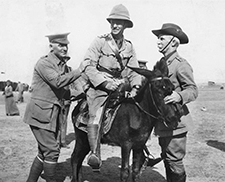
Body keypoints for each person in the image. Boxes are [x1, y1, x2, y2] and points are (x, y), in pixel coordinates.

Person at [82, 4, 142, 171]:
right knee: (96, 111)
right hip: (99, 85)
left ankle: (141, 150)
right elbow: (88, 65)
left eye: (119, 23)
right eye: (113, 22)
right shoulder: (100, 41)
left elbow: (134, 70)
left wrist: (136, 86)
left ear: (125, 26)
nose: (115, 25)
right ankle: (94, 153)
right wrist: (105, 83)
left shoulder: (129, 46)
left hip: (120, 85)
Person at [23, 32, 89, 182]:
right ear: (51, 46)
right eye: (61, 45)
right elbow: (58, 82)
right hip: (40, 114)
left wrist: (84, 93)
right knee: (52, 151)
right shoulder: (44, 63)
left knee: (43, 152)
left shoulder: (63, 67)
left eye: (66, 45)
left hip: (51, 115)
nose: (65, 48)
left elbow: (65, 92)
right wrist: (79, 71)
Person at [150, 23, 198, 182]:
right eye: (158, 38)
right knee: (167, 158)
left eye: (162, 39)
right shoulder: (162, 64)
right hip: (164, 121)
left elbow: (192, 90)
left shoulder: (180, 64)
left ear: (174, 43)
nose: (158, 42)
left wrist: (179, 96)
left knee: (175, 161)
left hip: (177, 122)